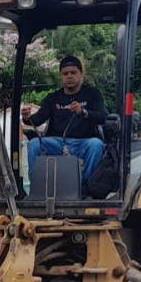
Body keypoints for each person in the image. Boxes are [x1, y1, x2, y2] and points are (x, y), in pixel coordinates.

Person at [21, 54, 108, 185]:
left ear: (81, 74)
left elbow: (103, 117)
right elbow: (38, 119)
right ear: (61, 76)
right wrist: (27, 118)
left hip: (84, 143)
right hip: (58, 143)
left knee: (96, 145)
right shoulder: (52, 98)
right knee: (34, 144)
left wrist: (83, 112)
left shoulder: (93, 94)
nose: (69, 76)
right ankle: (37, 187)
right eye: (65, 73)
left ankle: (85, 187)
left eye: (73, 72)